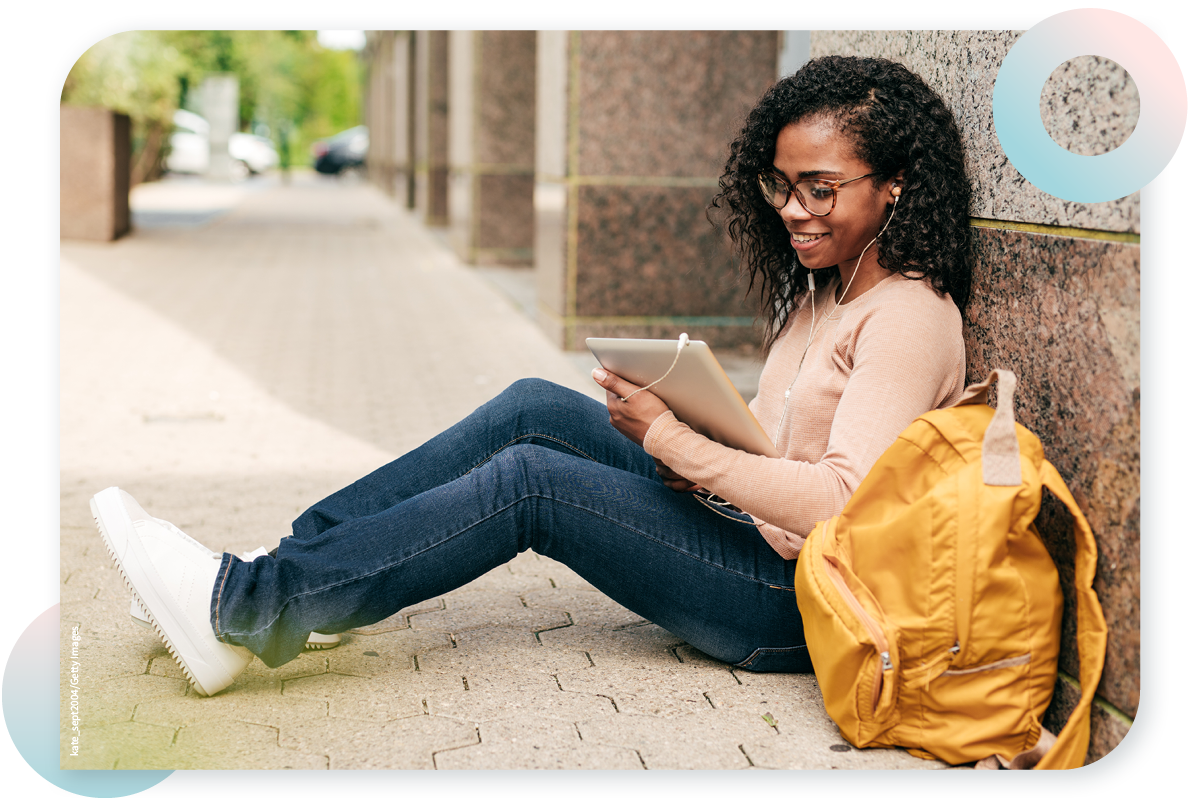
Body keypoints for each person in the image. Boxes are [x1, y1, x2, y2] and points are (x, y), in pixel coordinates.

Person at [91, 55, 972, 697]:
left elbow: (838, 505)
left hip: (794, 601)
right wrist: (694, 422)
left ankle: (245, 608)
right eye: (779, 186)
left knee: (532, 487)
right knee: (531, 408)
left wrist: (673, 442)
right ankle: (285, 570)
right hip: (755, 527)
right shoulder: (831, 283)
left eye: (820, 189)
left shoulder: (906, 315)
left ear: (894, 185)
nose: (792, 211)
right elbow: (788, 451)